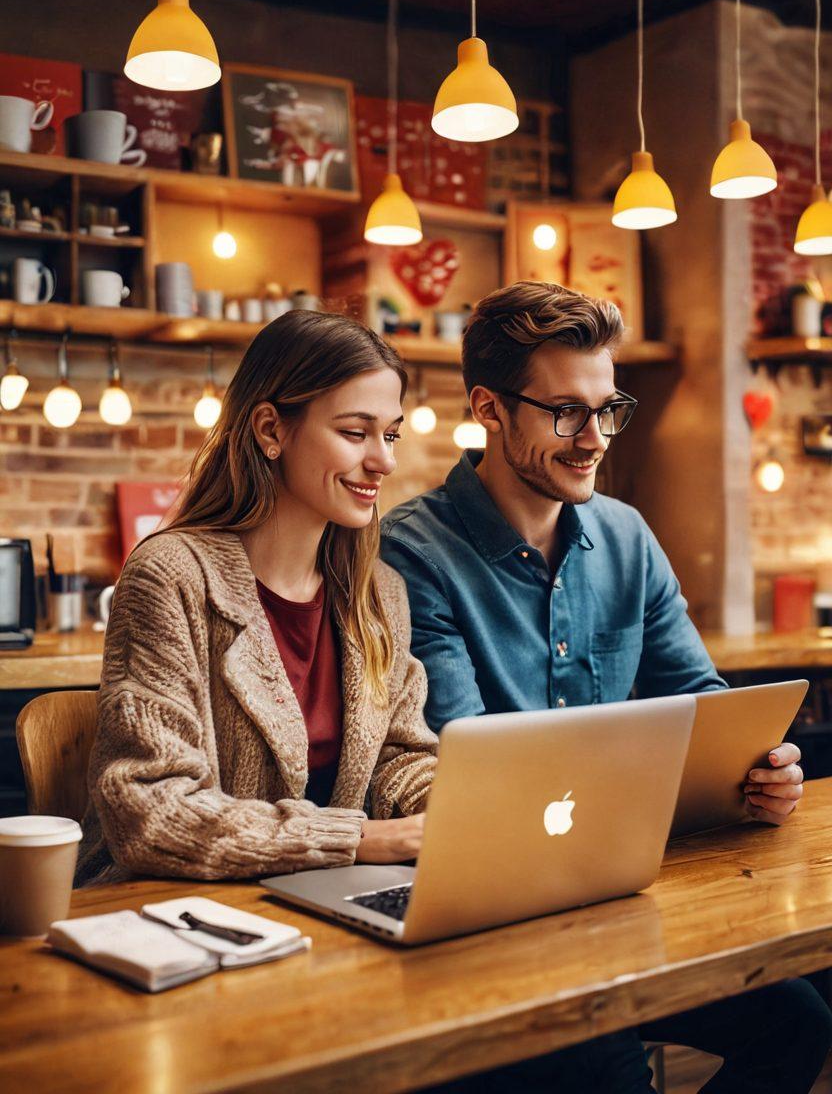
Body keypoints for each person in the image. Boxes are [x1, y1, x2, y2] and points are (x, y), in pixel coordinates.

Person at [381, 282, 831, 1094]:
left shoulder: (626, 536)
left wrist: (761, 769)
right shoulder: (410, 556)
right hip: (493, 925)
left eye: (606, 408)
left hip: (628, 892)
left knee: (801, 1022)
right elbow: (462, 770)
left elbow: (702, 699)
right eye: (565, 413)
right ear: (488, 407)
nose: (594, 439)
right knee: (611, 1071)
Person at [77, 311, 436, 886]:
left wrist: (449, 808)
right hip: (168, 914)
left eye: (390, 434)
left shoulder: (379, 595)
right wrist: (357, 838)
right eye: (355, 432)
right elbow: (153, 810)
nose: (385, 461)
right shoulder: (170, 576)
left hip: (317, 901)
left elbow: (399, 759)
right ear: (271, 430)